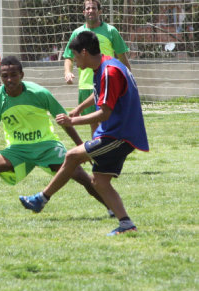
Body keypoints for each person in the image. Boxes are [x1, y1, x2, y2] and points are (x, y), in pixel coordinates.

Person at [20, 31, 149, 236]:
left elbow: (105, 113)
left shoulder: (110, 71)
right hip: (115, 133)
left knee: (72, 156)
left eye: (75, 56)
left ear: (85, 52)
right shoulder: (105, 64)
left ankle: (41, 199)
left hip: (120, 135)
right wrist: (80, 107)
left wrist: (73, 121)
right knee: (99, 181)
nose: (74, 61)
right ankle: (126, 224)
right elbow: (100, 92)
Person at [0, 55, 108, 216]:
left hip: (47, 146)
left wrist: (81, 147)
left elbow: (64, 121)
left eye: (13, 75)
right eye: (5, 76)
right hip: (18, 151)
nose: (9, 79)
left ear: (22, 75)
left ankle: (112, 208)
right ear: (0, 77)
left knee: (82, 176)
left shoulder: (39, 93)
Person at [64, 0, 131, 136]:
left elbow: (121, 56)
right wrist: (68, 72)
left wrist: (128, 76)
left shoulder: (111, 31)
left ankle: (107, 149)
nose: (91, 11)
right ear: (83, 12)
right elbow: (68, 56)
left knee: (106, 120)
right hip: (86, 85)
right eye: (88, 8)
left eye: (94, 8)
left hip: (106, 81)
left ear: (100, 11)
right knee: (93, 125)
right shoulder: (77, 33)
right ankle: (97, 151)